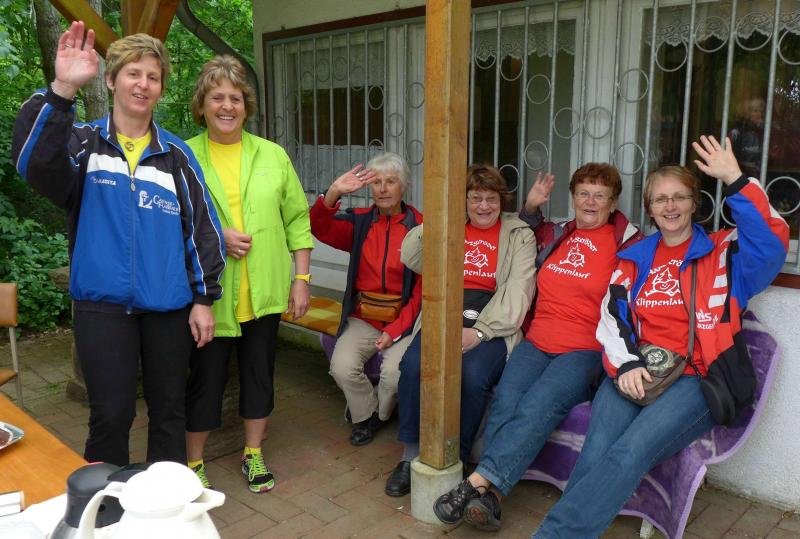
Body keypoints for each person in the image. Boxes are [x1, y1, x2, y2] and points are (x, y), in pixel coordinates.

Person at [532, 136, 789, 538]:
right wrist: (627, 364)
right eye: (660, 199)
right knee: (596, 449)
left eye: (679, 197)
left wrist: (736, 181)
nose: (670, 206)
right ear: (649, 208)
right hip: (637, 367)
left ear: (694, 202)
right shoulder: (635, 257)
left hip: (697, 378)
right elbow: (612, 315)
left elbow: (772, 242)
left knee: (630, 450)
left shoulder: (723, 253)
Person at [11, 22, 225, 466]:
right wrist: (62, 89)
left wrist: (204, 299)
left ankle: (166, 503)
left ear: (161, 88)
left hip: (168, 307)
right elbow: (35, 164)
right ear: (111, 80)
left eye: (153, 76)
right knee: (111, 415)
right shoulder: (83, 143)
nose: (143, 84)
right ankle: (104, 503)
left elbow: (203, 230)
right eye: (133, 73)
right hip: (102, 308)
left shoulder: (177, 156)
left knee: (169, 414)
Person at [432, 163, 642, 529]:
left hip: (585, 349)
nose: (590, 201)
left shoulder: (626, 245)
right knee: (506, 401)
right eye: (583, 194)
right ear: (573, 198)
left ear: (613, 204)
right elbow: (521, 236)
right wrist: (530, 207)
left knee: (539, 403)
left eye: (600, 196)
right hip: (537, 340)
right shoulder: (559, 234)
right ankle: (490, 498)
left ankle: (475, 483)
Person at [183, 56, 313, 493]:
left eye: (235, 98)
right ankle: (193, 462)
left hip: (264, 291)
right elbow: (171, 221)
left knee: (260, 375)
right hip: (208, 296)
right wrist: (216, 236)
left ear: (246, 106)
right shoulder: (182, 155)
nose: (227, 106)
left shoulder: (273, 155)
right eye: (217, 97)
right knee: (205, 381)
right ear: (201, 105)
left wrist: (301, 280)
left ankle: (253, 453)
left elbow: (297, 219)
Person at [385, 164, 538, 497]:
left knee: (472, 374)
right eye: (475, 198)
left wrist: (480, 333)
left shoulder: (519, 234)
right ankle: (410, 455)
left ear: (502, 200)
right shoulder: (451, 225)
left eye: (491, 199)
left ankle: (459, 456)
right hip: (446, 310)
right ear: (463, 200)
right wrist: (440, 218)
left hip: (493, 319)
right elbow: (411, 256)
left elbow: (518, 291)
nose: (483, 206)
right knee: (414, 366)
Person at [310, 153, 422, 447]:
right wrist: (334, 192)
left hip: (405, 320)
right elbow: (321, 228)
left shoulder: (421, 228)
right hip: (365, 316)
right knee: (342, 367)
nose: (383, 189)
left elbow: (423, 291)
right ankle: (366, 414)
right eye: (377, 182)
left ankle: (381, 414)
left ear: (404, 186)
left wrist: (395, 330)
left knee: (394, 374)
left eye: (391, 181)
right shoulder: (360, 222)